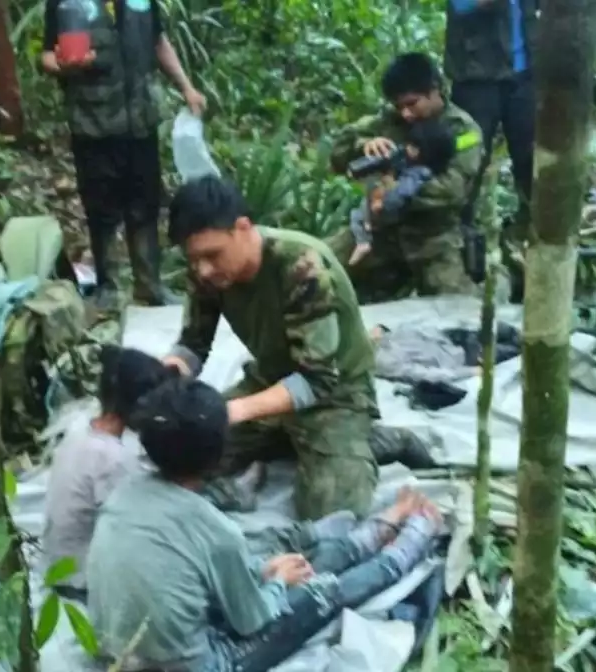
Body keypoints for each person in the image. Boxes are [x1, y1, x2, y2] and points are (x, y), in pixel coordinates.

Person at [85, 378, 442, 672]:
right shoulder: (214, 530)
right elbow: (251, 622)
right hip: (199, 665)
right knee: (322, 592)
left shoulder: (122, 496)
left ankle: (375, 533)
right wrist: (273, 585)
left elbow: (188, 570)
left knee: (289, 563)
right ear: (217, 455)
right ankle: (408, 541)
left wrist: (262, 573)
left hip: (123, 655)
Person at [161, 175, 382, 519]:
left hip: (336, 394)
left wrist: (233, 412)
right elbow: (194, 342)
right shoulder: (208, 271)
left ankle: (368, 440)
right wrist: (170, 372)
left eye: (212, 255)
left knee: (334, 514)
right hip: (269, 379)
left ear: (243, 227)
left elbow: (317, 381)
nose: (203, 270)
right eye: (193, 259)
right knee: (179, 456)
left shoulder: (301, 267)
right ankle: (285, 439)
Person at [40, 0, 207, 310]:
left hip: (140, 122)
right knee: (100, 210)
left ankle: (149, 285)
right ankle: (109, 288)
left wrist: (187, 87)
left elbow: (158, 41)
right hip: (93, 125)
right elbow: (47, 55)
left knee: (145, 204)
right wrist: (65, 65)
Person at [331, 53, 483, 301]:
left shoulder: (462, 130)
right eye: (399, 106)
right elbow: (337, 154)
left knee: (459, 313)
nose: (406, 114)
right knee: (317, 267)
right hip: (381, 233)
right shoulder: (389, 120)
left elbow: (451, 190)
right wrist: (365, 145)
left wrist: (394, 190)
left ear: (435, 91)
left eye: (412, 104)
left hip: (434, 239)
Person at [41, 345, 169, 599]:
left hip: (56, 563)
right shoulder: (114, 459)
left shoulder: (80, 430)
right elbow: (137, 527)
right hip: (80, 579)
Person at [445, 0, 538, 280]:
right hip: (477, 79)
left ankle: (529, 249)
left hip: (526, 75)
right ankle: (459, 253)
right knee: (469, 163)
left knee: (531, 160)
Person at [347, 119, 459, 267]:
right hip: (386, 206)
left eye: (413, 147)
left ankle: (363, 241)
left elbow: (403, 193)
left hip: (391, 211)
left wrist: (382, 203)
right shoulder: (408, 161)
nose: (407, 148)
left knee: (356, 216)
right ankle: (366, 228)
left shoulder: (418, 173)